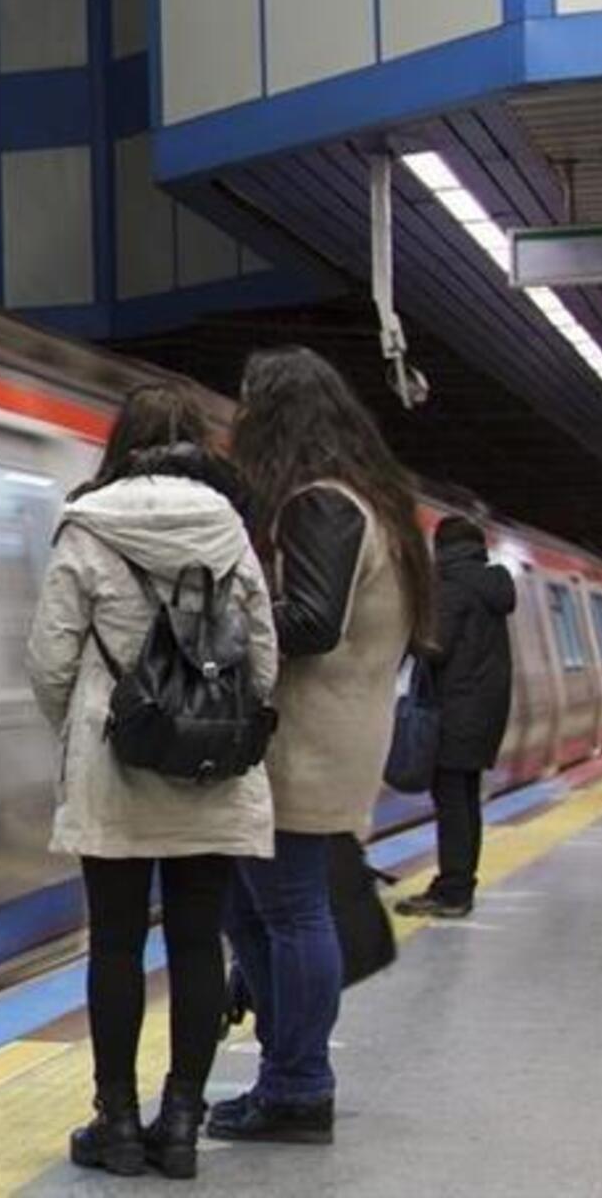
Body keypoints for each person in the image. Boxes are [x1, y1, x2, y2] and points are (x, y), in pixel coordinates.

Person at [25, 382, 278, 1180]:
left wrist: (91, 723)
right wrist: (217, 718)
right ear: (199, 445)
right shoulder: (230, 530)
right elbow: (265, 662)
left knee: (118, 943)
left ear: (121, 443)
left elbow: (50, 660)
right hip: (209, 770)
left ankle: (120, 1126)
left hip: (114, 766)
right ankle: (180, 1125)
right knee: (199, 941)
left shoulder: (88, 527)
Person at [211, 347, 434, 1146]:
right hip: (334, 734)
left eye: (248, 407)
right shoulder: (373, 502)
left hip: (306, 742)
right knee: (256, 907)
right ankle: (286, 1072)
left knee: (289, 910)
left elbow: (309, 622)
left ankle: (300, 1085)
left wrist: (224, 622)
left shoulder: (321, 505)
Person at [395, 516, 515, 919]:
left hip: (454, 712)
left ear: (440, 547)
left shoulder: (452, 586)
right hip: (482, 713)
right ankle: (459, 883)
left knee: (452, 804)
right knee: (464, 801)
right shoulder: (489, 585)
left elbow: (434, 646)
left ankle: (453, 892)